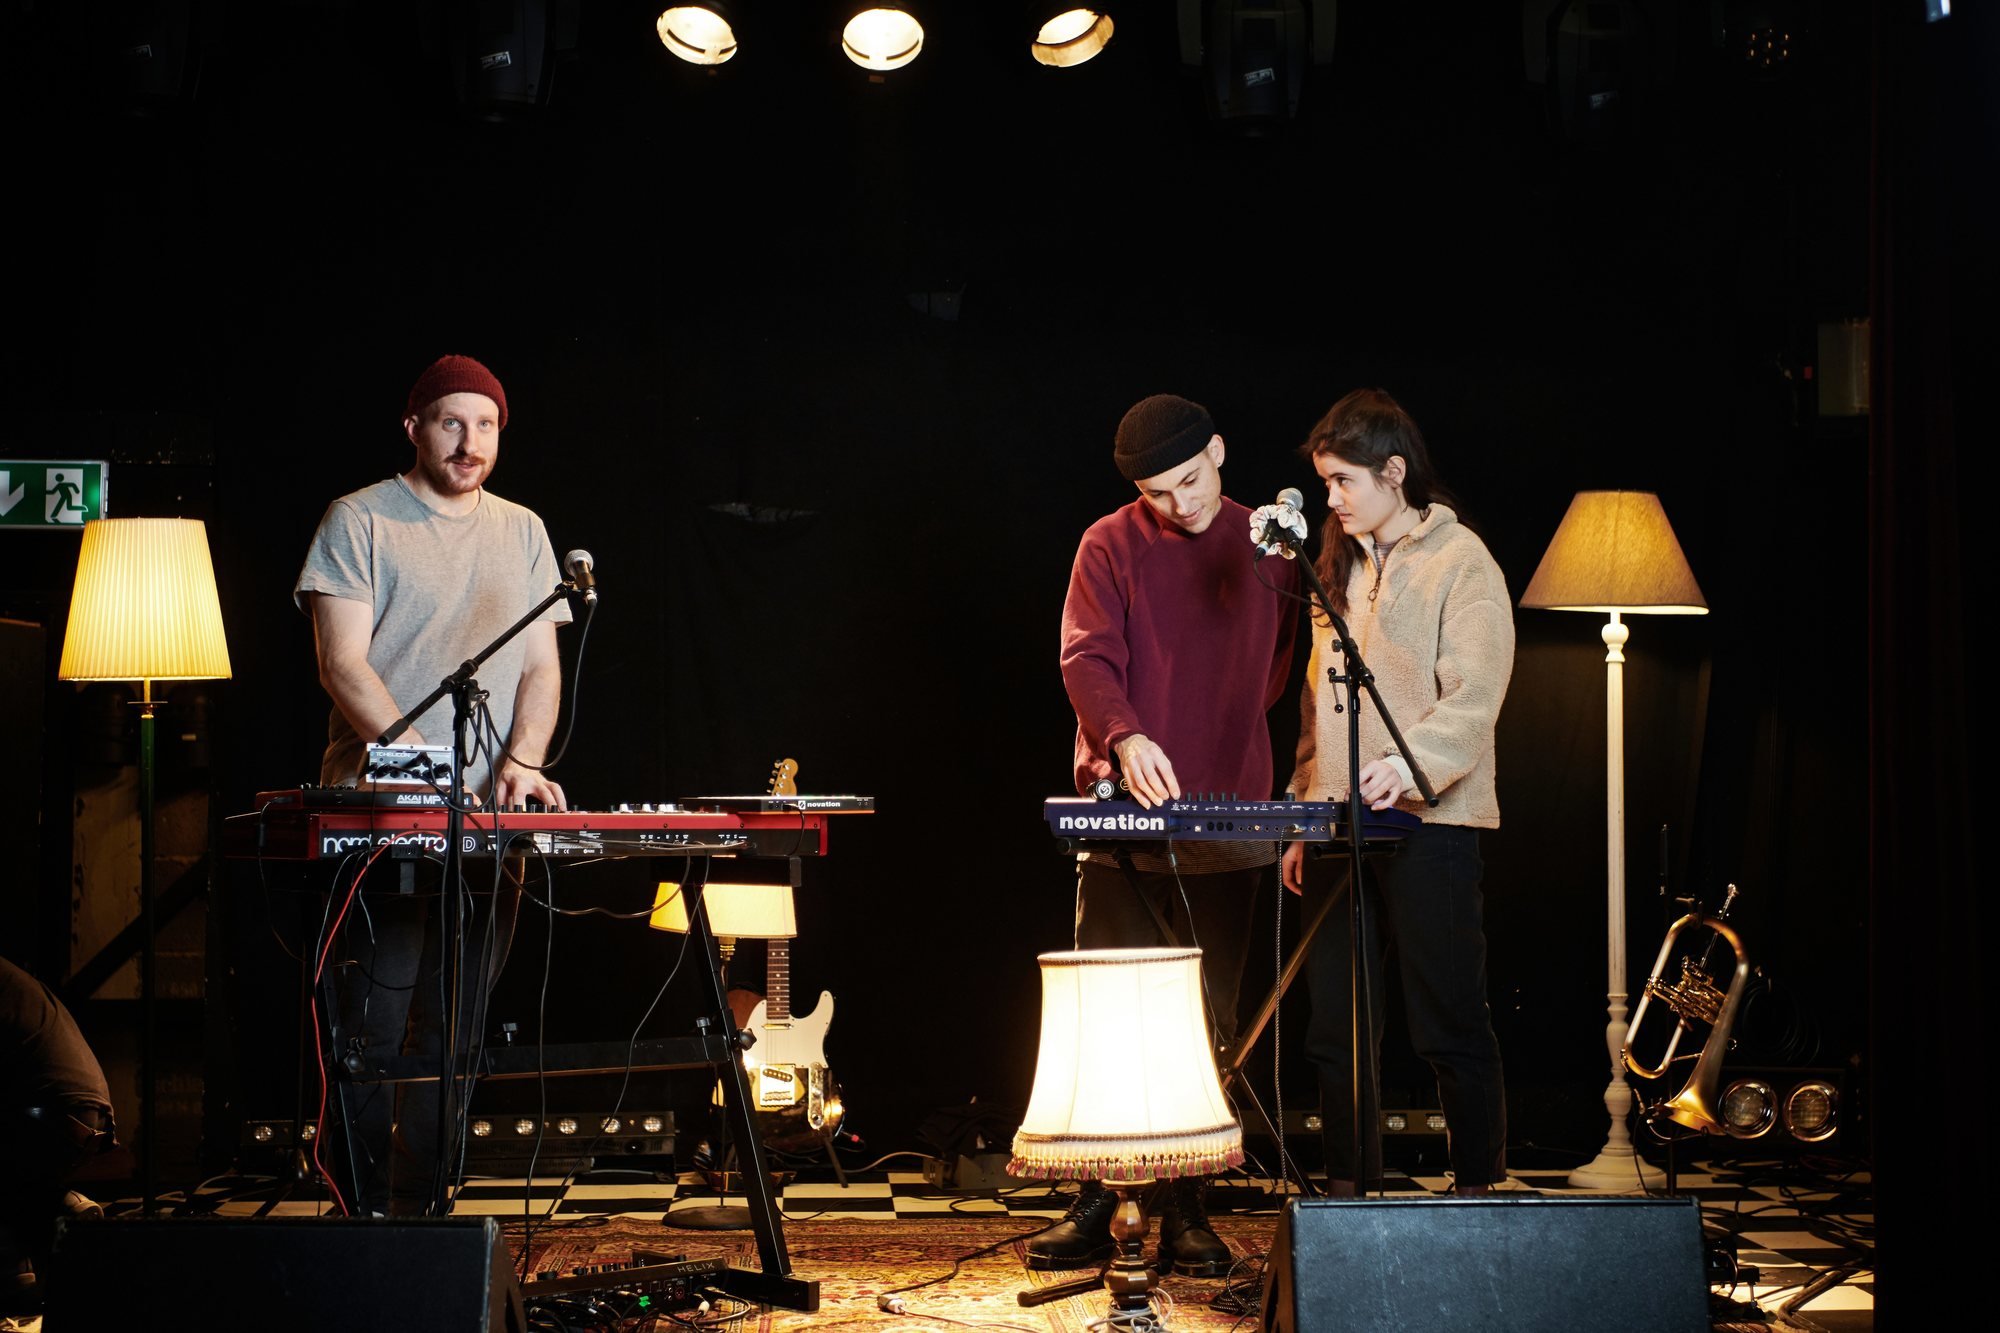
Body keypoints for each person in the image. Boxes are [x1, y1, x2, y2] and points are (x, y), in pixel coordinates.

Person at [293, 353, 571, 1215]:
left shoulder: (524, 530)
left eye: (485, 426)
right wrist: (425, 770)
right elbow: (343, 664)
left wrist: (522, 761)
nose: (470, 442)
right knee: (376, 1027)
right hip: (386, 808)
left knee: (458, 1028)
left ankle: (427, 1215)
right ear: (414, 428)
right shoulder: (360, 519)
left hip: (489, 822)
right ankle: (363, 1213)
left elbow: (541, 668)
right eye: (452, 422)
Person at [1041, 393, 1300, 1275]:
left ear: (1221, 453)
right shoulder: (1107, 542)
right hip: (1123, 809)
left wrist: (1227, 747)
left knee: (1209, 1018)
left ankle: (1188, 1206)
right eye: (1160, 493)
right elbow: (1085, 654)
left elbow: (1281, 667)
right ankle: (1095, 1201)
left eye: (1191, 482)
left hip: (1230, 808)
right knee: (1108, 1012)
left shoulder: (1270, 547)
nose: (1181, 503)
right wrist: (1125, 733)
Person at [1279, 388, 1513, 1197]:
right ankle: (1350, 1197)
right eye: (1325, 484)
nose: (1331, 499)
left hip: (1431, 825)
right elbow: (1315, 701)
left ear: (1394, 472)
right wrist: (1303, 808)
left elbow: (1476, 697)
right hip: (1340, 826)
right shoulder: (1334, 567)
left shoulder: (1462, 561)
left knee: (1447, 1021)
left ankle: (1478, 1193)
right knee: (1335, 1027)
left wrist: (1412, 769)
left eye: (1343, 481)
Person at [1, 955, 113, 1312]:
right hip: (84, 1120)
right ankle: (59, 1209)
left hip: (48, 1117)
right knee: (20, 1170)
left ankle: (10, 1263)